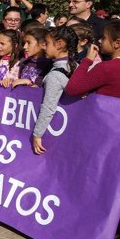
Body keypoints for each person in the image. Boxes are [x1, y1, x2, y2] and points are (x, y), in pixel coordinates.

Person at [32, 26, 79, 154]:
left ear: (59, 44)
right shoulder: (76, 66)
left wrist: (37, 134)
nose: (43, 47)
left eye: (46, 43)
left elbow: (48, 107)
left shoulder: (55, 76)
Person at [65, 20, 120, 99]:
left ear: (117, 43)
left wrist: (87, 60)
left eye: (104, 38)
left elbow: (72, 89)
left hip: (104, 110)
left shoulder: (106, 68)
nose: (99, 41)